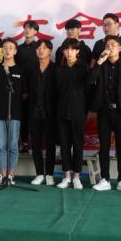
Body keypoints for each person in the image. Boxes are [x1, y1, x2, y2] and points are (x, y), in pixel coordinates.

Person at [89, 35, 121, 192]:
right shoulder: (100, 65)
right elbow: (89, 81)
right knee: (104, 147)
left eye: (113, 45)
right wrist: (99, 62)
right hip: (103, 110)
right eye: (107, 45)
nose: (110, 48)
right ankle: (105, 179)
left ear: (120, 48)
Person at [0, 39, 26, 185]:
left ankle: (11, 175)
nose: (7, 50)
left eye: (10, 48)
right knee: (1, 145)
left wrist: (15, 103)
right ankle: (3, 174)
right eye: (5, 48)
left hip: (15, 113)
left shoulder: (20, 70)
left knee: (13, 145)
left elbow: (25, 94)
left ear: (15, 51)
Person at [55, 39, 88, 189]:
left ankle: (77, 177)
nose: (69, 52)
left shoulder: (84, 68)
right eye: (66, 49)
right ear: (63, 51)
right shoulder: (59, 70)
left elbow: (89, 90)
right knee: (64, 145)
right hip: (62, 111)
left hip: (78, 111)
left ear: (77, 51)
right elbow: (56, 92)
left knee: (78, 144)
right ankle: (66, 176)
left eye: (72, 49)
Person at [29, 39, 57, 186]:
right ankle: (39, 173)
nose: (41, 50)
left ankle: (50, 174)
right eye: (38, 48)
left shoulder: (56, 69)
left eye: (44, 48)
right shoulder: (32, 69)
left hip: (50, 113)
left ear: (50, 51)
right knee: (36, 144)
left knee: (51, 144)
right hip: (34, 111)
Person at [16, 20, 40, 152]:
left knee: (36, 116)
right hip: (21, 87)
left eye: (30, 28)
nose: (27, 30)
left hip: (37, 87)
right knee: (23, 116)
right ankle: (24, 142)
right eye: (25, 28)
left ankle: (36, 143)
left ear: (36, 31)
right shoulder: (18, 49)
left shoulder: (40, 47)